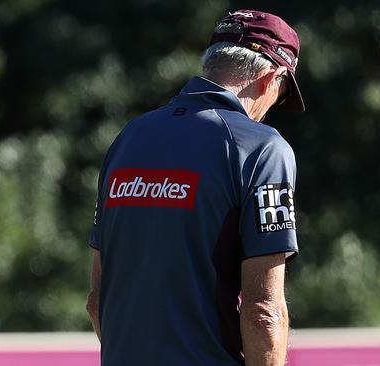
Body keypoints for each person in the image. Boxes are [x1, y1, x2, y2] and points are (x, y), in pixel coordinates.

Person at [86, 9, 304, 366]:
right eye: (280, 96)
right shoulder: (263, 147)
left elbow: (97, 301)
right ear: (271, 77)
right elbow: (263, 313)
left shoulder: (129, 137)